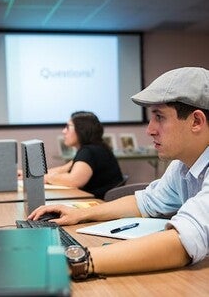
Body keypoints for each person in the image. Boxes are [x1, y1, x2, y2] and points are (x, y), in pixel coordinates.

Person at [28, 67, 209, 279]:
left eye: (159, 117)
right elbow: (145, 202)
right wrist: (79, 213)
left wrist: (75, 260)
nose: (150, 129)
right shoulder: (182, 166)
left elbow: (182, 242)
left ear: (196, 121)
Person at [44, 111, 123, 199]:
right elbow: (63, 169)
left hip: (98, 203)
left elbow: (73, 181)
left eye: (68, 127)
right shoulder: (96, 147)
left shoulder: (89, 151)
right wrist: (36, 176)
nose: (64, 131)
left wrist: (48, 178)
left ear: (81, 129)